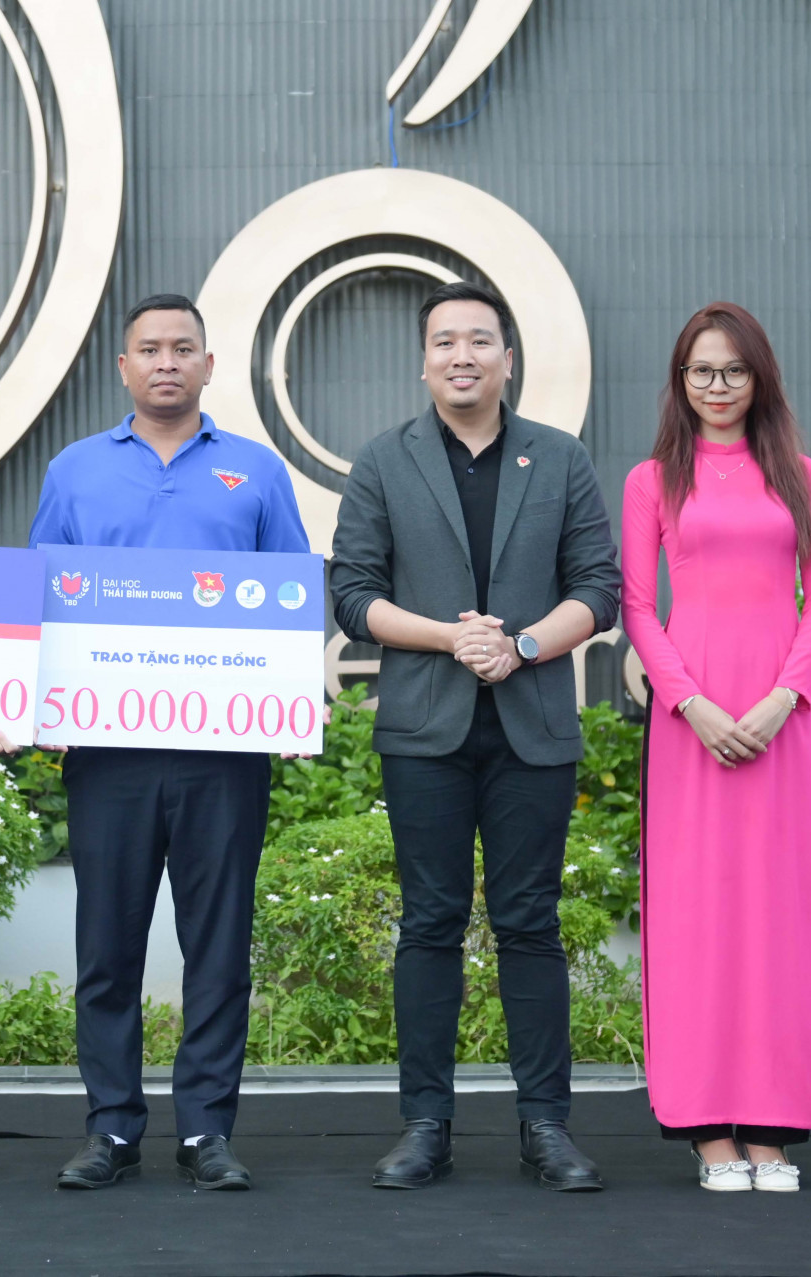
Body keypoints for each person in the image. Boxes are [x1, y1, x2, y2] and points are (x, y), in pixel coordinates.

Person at [329, 281, 620, 1192]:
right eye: (445, 340)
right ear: (424, 362)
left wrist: (524, 646)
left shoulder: (560, 457)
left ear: (506, 357)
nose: (463, 354)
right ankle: (426, 1123)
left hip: (531, 726)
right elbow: (351, 595)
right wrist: (453, 637)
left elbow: (600, 585)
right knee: (430, 923)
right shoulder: (384, 460)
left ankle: (546, 1126)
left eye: (479, 339)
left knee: (529, 923)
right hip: (425, 727)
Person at [26, 294, 309, 1192]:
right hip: (106, 755)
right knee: (106, 946)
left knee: (217, 945)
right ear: (123, 367)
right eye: (148, 349)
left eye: (183, 348)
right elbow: (39, 600)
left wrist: (296, 700)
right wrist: (36, 705)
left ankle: (205, 1131)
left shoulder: (257, 474)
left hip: (223, 755)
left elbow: (293, 605)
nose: (166, 363)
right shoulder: (73, 471)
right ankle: (111, 1128)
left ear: (208, 364)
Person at [621, 303, 811, 1192]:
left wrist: (787, 694)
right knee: (696, 918)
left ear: (760, 378)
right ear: (680, 381)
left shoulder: (800, 476)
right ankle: (710, 1128)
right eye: (700, 372)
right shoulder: (651, 480)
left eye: (732, 371)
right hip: (692, 727)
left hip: (782, 721)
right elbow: (638, 604)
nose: (716, 387)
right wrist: (692, 704)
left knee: (778, 918)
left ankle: (773, 1127)